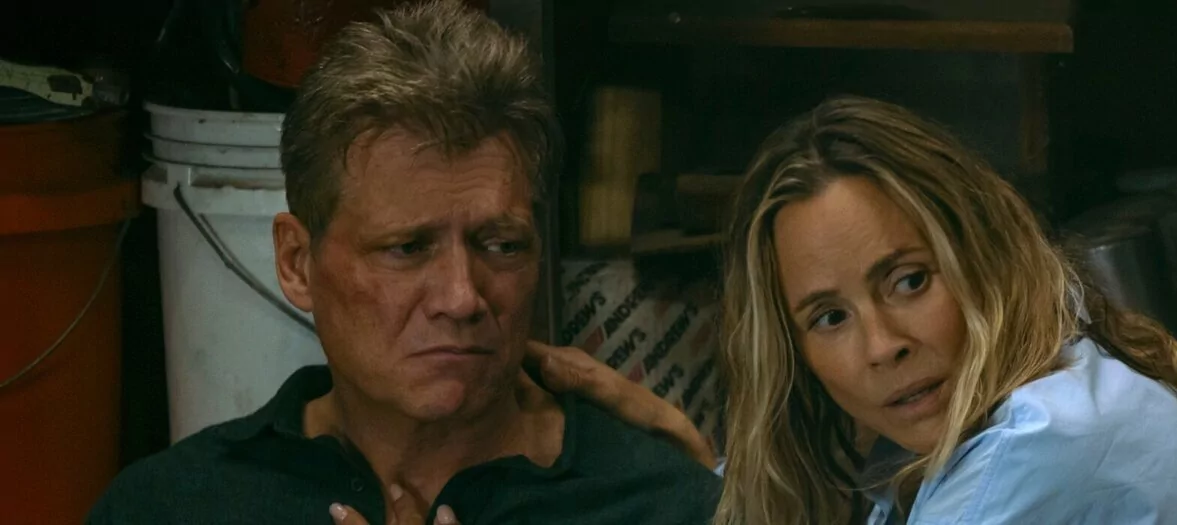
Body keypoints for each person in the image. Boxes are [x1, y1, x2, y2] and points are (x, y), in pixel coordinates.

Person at [535, 96, 1177, 524]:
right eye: (828, 317)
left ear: (981, 257)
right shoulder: (1007, 412)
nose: (882, 346)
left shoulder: (1038, 445)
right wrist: (703, 465)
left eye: (907, 281)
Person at [86, 2, 719, 524]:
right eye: (408, 248)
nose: (462, 297)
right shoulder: (170, 508)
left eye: (502, 244)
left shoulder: (663, 507)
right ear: (297, 262)